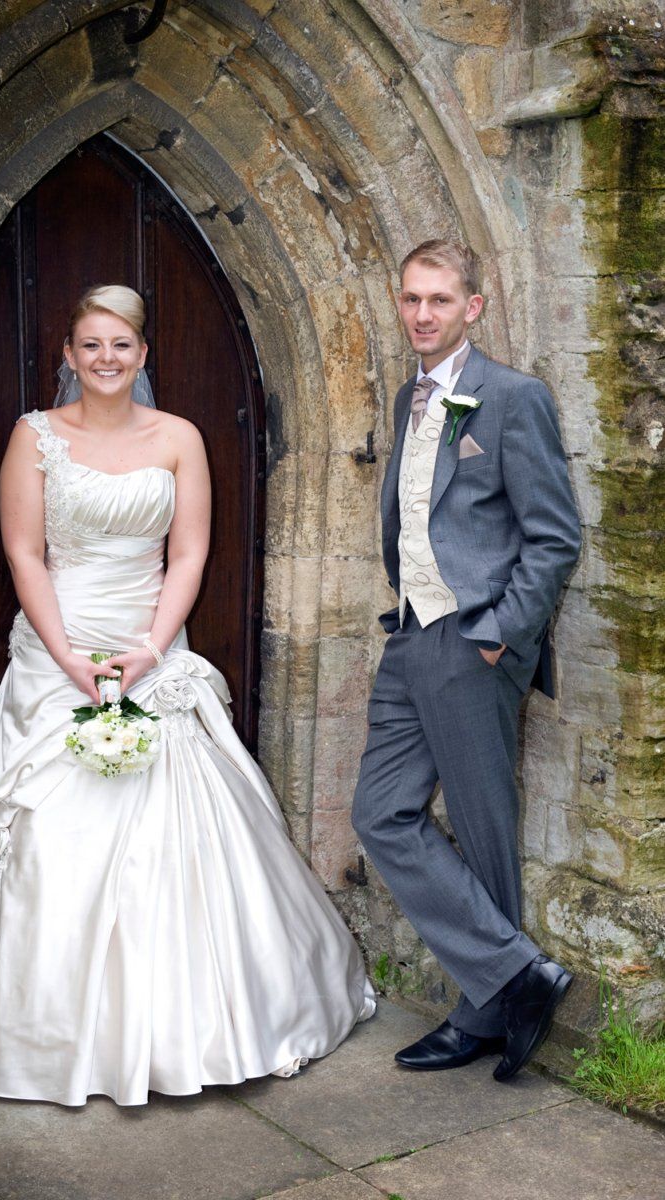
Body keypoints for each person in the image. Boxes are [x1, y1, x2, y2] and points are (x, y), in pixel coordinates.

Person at [0, 284, 375, 1107]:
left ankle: (205, 1027)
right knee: (51, 835)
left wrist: (147, 652)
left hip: (148, 646)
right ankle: (53, 1042)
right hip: (58, 650)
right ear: (67, 355)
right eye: (91, 345)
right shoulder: (33, 438)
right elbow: (24, 553)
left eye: (122, 346)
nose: (107, 359)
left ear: (144, 356)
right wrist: (70, 660)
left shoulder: (178, 438)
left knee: (179, 821)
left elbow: (190, 552)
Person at [352, 240, 581, 1082]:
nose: (421, 315)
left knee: (485, 834)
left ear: (472, 307)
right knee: (381, 813)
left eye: (439, 301)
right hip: (411, 635)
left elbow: (555, 537)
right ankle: (518, 977)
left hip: (473, 639)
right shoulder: (410, 395)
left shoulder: (514, 399)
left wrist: (499, 635)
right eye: (410, 299)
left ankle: (484, 1014)